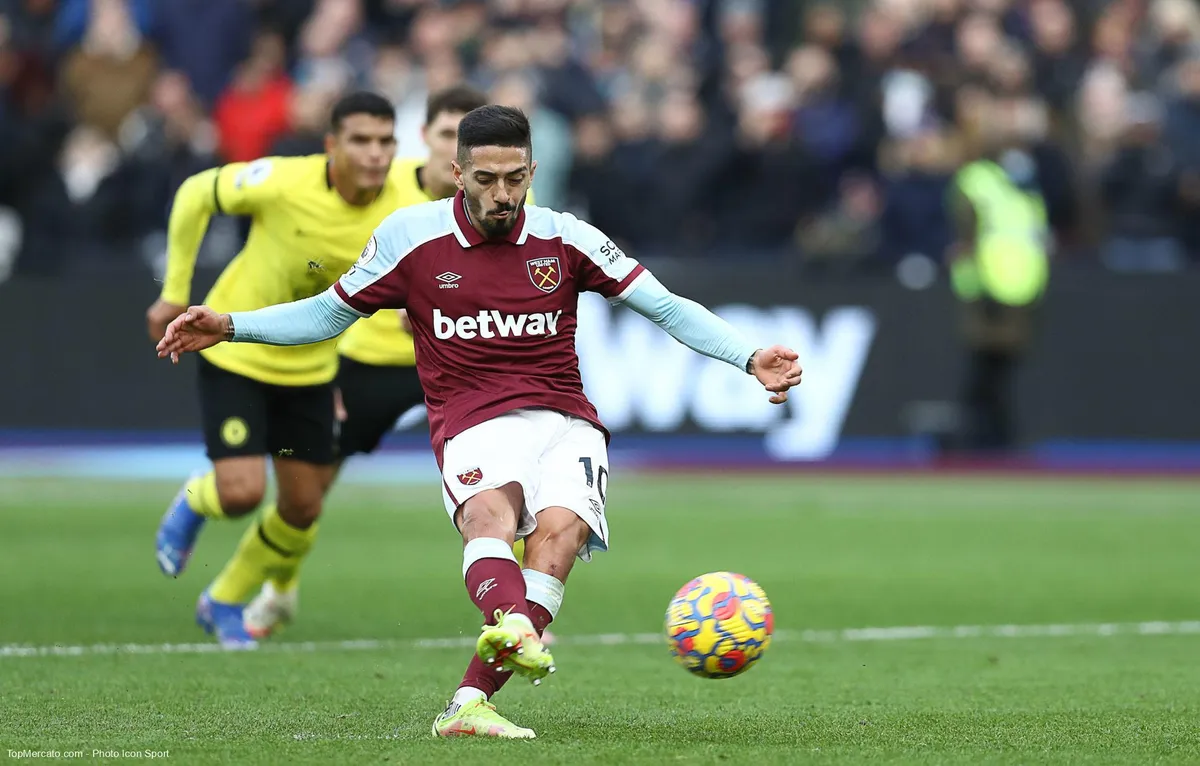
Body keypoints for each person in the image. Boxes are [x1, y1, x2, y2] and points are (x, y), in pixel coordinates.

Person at [155, 105, 803, 737]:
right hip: (473, 416)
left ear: (532, 171)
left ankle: (469, 702)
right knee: (489, 517)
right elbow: (327, 314)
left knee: (559, 540)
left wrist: (748, 356)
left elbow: (663, 306)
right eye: (486, 179)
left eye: (515, 178)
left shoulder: (565, 236)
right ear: (457, 173)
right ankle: (512, 621)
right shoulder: (411, 236)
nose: (502, 194)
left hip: (566, 418)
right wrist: (230, 326)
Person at [238, 84, 560, 641]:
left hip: (470, 369)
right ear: (432, 144)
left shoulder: (511, 210)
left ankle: (522, 612)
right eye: (442, 136)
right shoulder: (393, 206)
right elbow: (339, 299)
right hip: (377, 364)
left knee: (517, 477)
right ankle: (279, 585)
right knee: (310, 483)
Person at [146, 91, 406, 648]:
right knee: (240, 493)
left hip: (310, 371)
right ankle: (198, 498)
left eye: (386, 141)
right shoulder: (284, 182)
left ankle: (224, 601)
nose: (376, 154)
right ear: (331, 145)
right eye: (361, 140)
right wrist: (173, 295)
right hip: (236, 354)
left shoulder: (405, 201)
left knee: (302, 505)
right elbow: (196, 193)